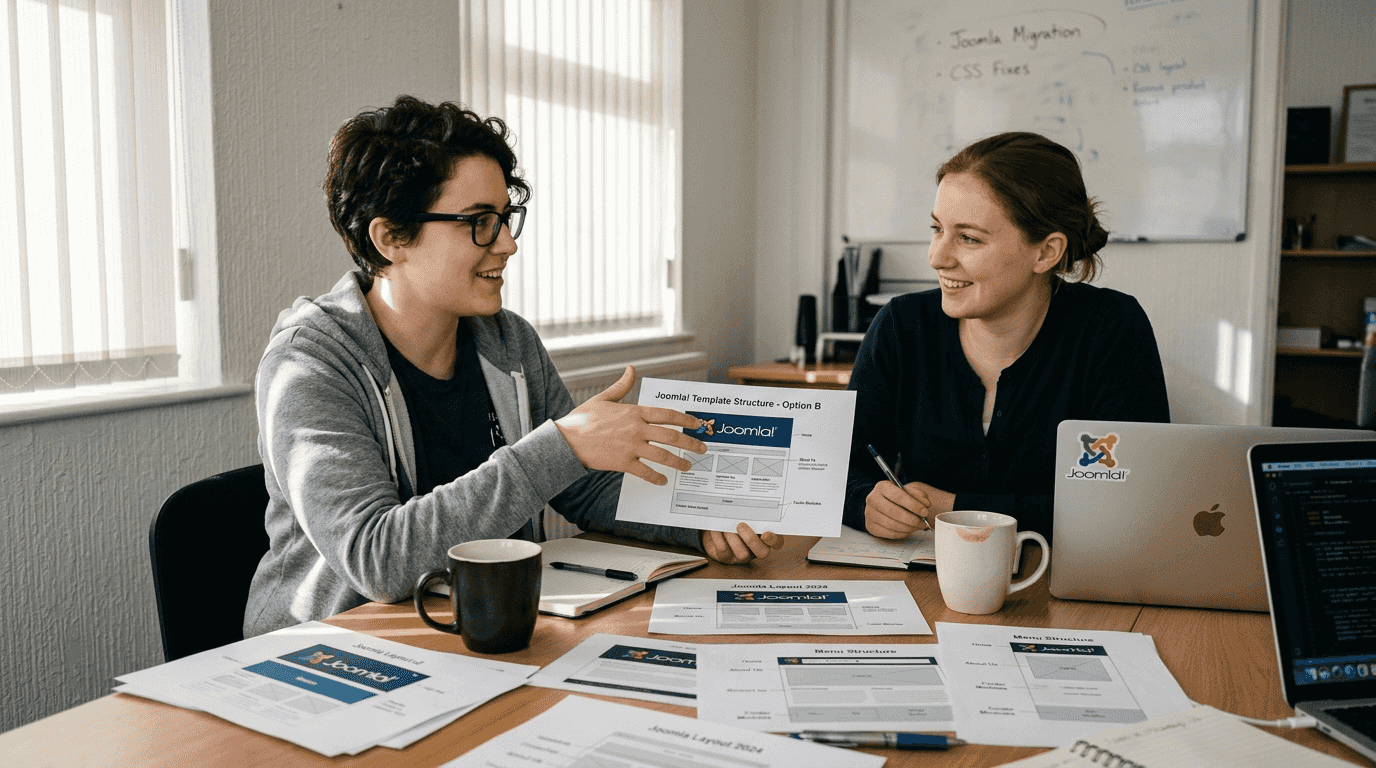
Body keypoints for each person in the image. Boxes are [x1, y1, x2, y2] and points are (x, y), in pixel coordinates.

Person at [245, 95, 781, 637]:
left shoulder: (508, 341)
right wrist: (564, 444)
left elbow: (585, 490)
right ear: (390, 238)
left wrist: (698, 523)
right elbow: (378, 560)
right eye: (478, 222)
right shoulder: (308, 364)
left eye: (505, 218)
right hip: (330, 654)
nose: (507, 244)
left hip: (476, 632)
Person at [844, 131, 1170, 542]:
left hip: (1062, 586)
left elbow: (1125, 502)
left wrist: (953, 507)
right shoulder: (901, 325)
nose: (937, 257)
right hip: (926, 585)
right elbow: (842, 471)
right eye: (937, 229)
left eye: (968, 238)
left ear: (1046, 252)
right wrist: (866, 503)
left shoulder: (1111, 327)